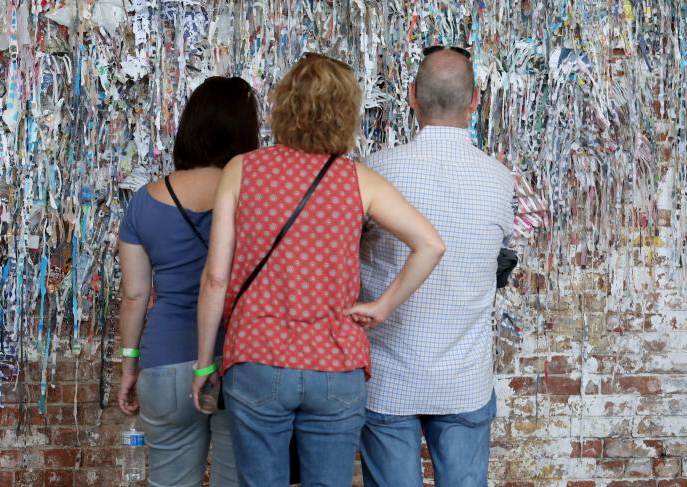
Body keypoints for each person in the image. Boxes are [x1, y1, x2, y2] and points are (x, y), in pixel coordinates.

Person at [192, 53, 446, 487]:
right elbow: (431, 244)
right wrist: (383, 306)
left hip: (256, 358)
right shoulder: (358, 180)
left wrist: (203, 366)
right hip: (335, 364)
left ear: (283, 105)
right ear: (345, 112)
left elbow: (216, 277)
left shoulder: (243, 169)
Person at [358, 46, 515, 487]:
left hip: (388, 378)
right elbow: (501, 258)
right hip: (464, 378)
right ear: (476, 99)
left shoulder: (374, 172)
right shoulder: (500, 181)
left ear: (411, 96)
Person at [117, 76, 259, 487]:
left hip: (164, 364)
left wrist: (130, 364)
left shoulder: (144, 201)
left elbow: (135, 295)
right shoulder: (255, 193)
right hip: (237, 362)